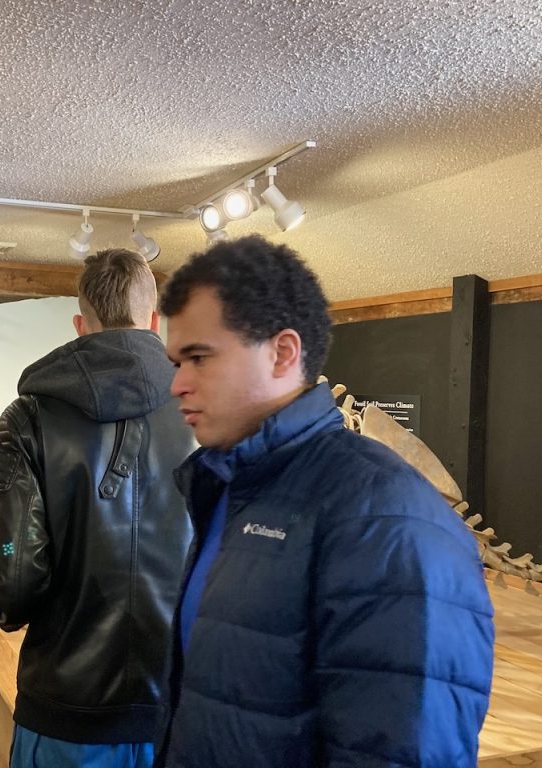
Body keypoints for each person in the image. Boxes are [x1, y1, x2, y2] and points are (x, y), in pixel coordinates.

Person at [154, 236, 495, 768]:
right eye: (177, 362)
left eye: (199, 358)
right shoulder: (230, 487)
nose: (177, 384)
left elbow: (403, 749)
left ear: (283, 353)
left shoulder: (388, 517)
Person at [0, 248, 195, 768]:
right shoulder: (207, 406)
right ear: (153, 320)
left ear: (80, 324)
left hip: (67, 710)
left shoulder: (29, 416)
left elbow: (16, 575)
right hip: (183, 708)